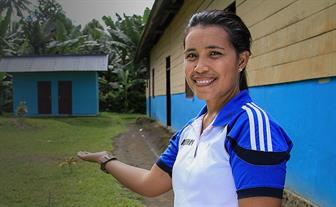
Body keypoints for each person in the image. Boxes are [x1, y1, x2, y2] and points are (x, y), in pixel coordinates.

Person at [77, 10, 293, 207]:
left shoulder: (250, 127)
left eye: (214, 53)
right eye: (191, 56)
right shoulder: (191, 129)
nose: (199, 67)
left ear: (241, 60)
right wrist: (105, 159)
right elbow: (151, 183)